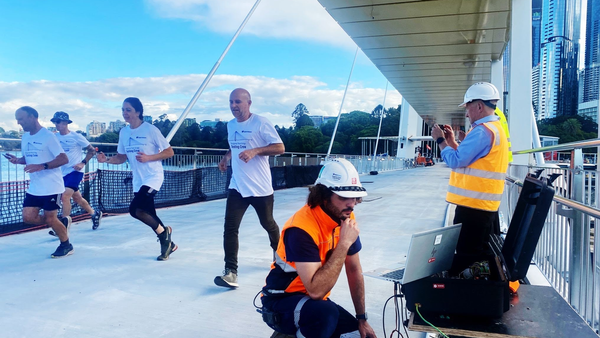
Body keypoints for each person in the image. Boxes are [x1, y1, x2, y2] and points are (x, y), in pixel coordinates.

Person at [260, 158, 377, 338]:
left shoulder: (345, 215)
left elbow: (353, 270)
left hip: (313, 303)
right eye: (344, 197)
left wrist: (362, 318)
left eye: (354, 196)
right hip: (281, 300)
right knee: (324, 314)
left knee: (355, 335)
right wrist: (344, 243)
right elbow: (316, 290)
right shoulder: (301, 228)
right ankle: (288, 332)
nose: (351, 204)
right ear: (323, 195)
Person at [215, 88, 285, 288]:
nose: (234, 106)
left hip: (261, 187)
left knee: (268, 223)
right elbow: (234, 145)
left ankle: (280, 255)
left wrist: (256, 151)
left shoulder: (260, 123)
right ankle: (231, 272)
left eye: (238, 102)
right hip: (237, 186)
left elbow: (280, 147)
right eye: (231, 102)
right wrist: (225, 158)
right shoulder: (230, 125)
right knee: (230, 228)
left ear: (249, 103)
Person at [431, 82, 509, 255]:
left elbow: (455, 161)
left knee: (467, 254)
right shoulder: (495, 129)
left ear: (479, 106)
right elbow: (469, 160)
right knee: (478, 252)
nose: (466, 114)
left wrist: (440, 140)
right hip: (483, 204)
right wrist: (452, 142)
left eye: (468, 108)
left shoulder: (482, 131)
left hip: (474, 207)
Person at [96, 97, 176, 261]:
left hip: (153, 176)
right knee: (149, 213)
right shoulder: (124, 132)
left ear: (138, 112)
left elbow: (169, 152)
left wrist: (149, 158)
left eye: (128, 110)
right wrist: (107, 160)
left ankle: (165, 234)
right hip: (138, 180)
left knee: (135, 210)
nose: (125, 113)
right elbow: (121, 157)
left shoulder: (150, 130)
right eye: (123, 110)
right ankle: (169, 243)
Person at [5, 106, 73, 258]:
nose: (18, 122)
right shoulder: (25, 137)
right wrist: (18, 160)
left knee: (50, 218)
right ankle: (60, 223)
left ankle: (66, 245)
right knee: (28, 218)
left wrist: (42, 166)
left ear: (32, 117)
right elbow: (29, 159)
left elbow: (63, 159)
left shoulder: (48, 136)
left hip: (52, 186)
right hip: (35, 187)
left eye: (21, 118)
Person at [49, 111, 102, 234]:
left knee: (64, 196)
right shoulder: (54, 137)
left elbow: (92, 150)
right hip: (61, 173)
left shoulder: (76, 136)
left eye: (58, 122)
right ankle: (94, 214)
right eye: (54, 122)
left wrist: (83, 163)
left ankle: (62, 227)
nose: (56, 124)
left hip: (75, 171)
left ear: (66, 123)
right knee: (77, 197)